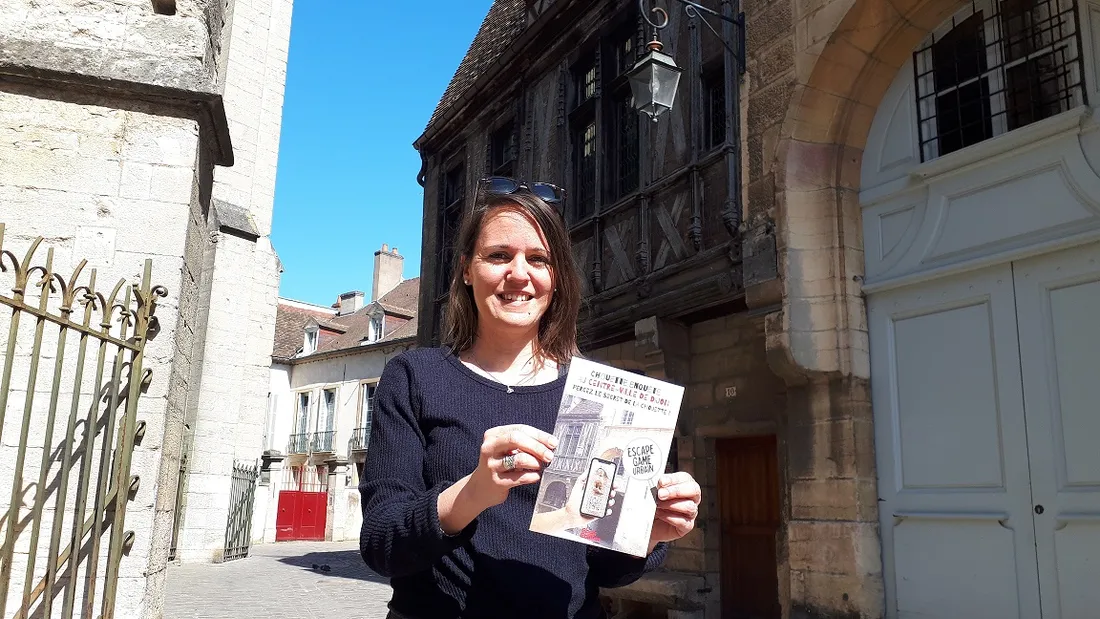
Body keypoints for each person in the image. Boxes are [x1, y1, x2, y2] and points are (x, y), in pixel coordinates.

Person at [358, 176, 702, 619]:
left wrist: (647, 533)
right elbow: (381, 543)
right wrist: (473, 491)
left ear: (556, 277)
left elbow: (606, 571)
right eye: (499, 255)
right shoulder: (414, 377)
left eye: (538, 259)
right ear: (466, 269)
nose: (519, 274)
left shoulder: (603, 397)